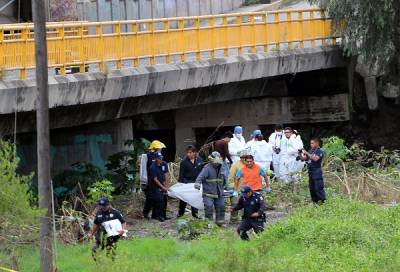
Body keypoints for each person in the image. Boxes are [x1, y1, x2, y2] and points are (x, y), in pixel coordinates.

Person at [194, 151, 227, 226]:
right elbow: (200, 177)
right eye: (215, 162)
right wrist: (197, 184)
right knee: (208, 207)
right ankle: (209, 223)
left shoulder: (222, 168)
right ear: (211, 161)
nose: (216, 164)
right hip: (208, 193)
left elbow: (224, 179)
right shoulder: (207, 168)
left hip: (219, 193)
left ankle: (220, 223)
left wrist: (226, 187)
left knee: (221, 207)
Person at [177, 145, 204, 218]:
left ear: (194, 153)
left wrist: (202, 181)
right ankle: (181, 213)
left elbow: (202, 172)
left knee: (195, 198)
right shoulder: (184, 162)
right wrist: (181, 185)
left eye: (190, 152)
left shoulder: (199, 160)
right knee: (184, 199)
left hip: (196, 182)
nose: (188, 154)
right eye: (187, 153)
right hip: (186, 183)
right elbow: (181, 175)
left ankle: (195, 214)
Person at [143, 152, 170, 222]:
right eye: (159, 158)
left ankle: (163, 215)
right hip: (153, 186)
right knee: (158, 199)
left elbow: (166, 175)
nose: (161, 159)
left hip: (163, 184)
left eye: (161, 158)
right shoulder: (152, 167)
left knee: (164, 198)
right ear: (155, 159)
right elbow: (155, 180)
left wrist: (166, 186)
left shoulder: (164, 164)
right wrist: (163, 188)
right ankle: (158, 216)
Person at [300, 137, 326, 203]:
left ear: (317, 143)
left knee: (318, 187)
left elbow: (315, 159)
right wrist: (300, 154)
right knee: (312, 188)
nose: (311, 144)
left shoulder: (319, 151)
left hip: (317, 171)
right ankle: (315, 202)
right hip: (310, 171)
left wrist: (306, 152)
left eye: (312, 143)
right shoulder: (311, 150)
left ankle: (323, 201)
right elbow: (304, 158)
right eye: (310, 143)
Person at [228, 149, 248, 223]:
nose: (244, 159)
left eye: (246, 157)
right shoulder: (235, 165)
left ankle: (245, 219)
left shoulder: (249, 164)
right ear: (240, 157)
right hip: (237, 189)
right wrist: (233, 188)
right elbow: (231, 178)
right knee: (235, 204)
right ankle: (233, 219)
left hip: (247, 188)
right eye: (243, 157)